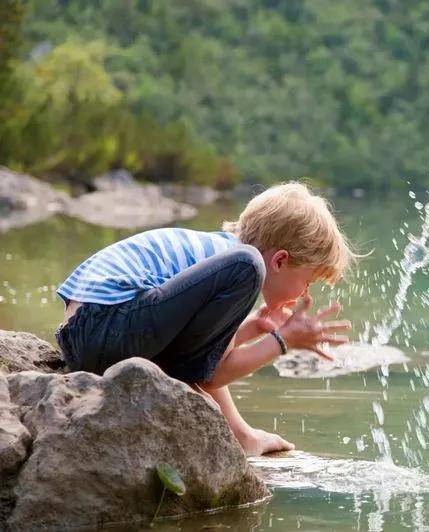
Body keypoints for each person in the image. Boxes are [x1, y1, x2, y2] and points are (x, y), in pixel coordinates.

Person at [54, 182, 355, 456]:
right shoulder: (243, 266)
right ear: (280, 260)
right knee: (248, 265)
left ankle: (244, 437)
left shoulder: (214, 259)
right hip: (105, 324)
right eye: (308, 281)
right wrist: (282, 341)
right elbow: (212, 374)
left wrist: (248, 331)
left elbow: (199, 357)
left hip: (89, 335)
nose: (304, 293)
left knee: (203, 396)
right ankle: (244, 437)